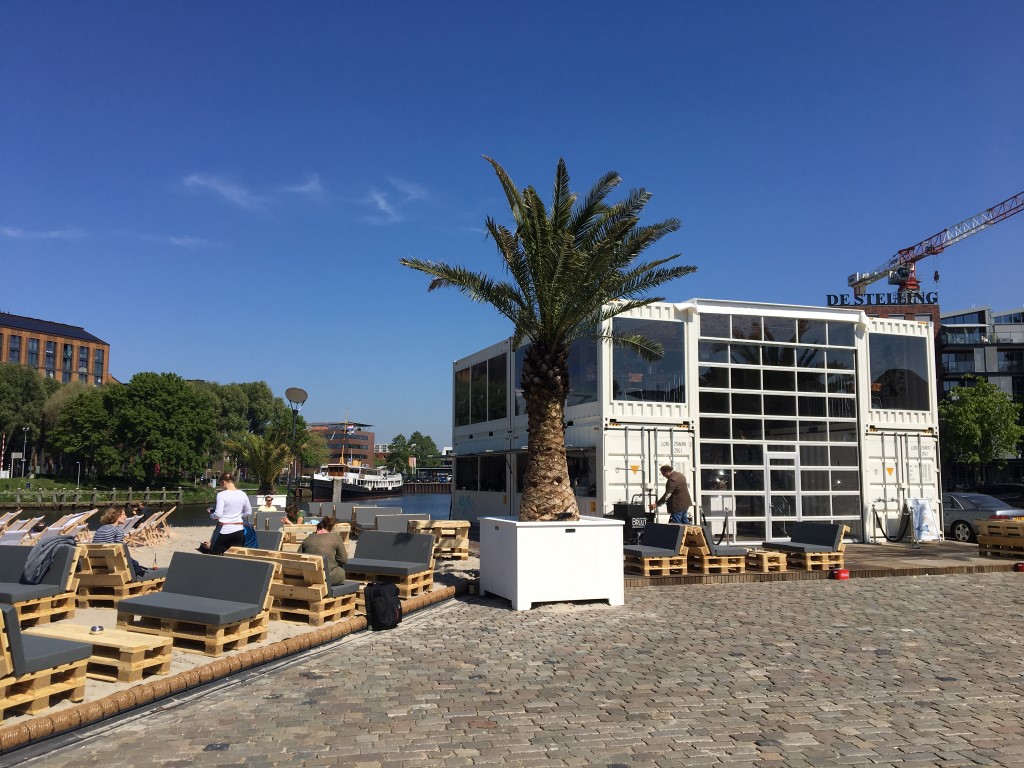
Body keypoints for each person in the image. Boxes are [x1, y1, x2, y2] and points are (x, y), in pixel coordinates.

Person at [198, 472, 252, 555]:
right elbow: (248, 512)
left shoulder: (221, 495)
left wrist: (211, 515)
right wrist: (237, 516)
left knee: (215, 555)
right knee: (235, 556)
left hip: (224, 530)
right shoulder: (243, 494)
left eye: (221, 485)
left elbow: (218, 514)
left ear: (224, 482)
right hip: (238, 530)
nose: (222, 487)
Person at [91, 505, 147, 576]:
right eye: (123, 514)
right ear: (116, 516)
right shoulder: (118, 529)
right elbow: (120, 549)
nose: (126, 516)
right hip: (110, 561)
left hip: (96, 561)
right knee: (135, 563)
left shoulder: (100, 529)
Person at [297, 516, 347, 586]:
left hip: (308, 577)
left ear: (317, 529)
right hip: (326, 577)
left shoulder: (307, 538)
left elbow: (298, 557)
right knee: (341, 572)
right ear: (330, 529)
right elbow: (343, 560)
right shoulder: (335, 537)